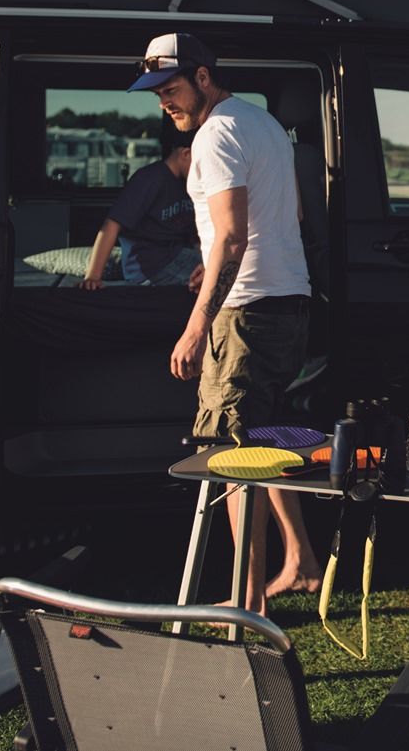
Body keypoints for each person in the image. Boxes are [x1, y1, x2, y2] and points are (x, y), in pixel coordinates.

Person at [130, 31, 322, 612]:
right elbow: (279, 215)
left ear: (204, 76)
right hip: (287, 300)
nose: (164, 102)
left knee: (230, 457)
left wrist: (196, 326)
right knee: (262, 440)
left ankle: (247, 603)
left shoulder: (213, 136)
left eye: (171, 89)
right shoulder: (258, 121)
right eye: (157, 93)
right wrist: (212, 265)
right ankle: (301, 561)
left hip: (248, 313)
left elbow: (234, 237)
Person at [81, 121, 200, 288]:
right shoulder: (149, 179)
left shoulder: (190, 184)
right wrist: (93, 276)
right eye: (202, 162)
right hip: (149, 266)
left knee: (226, 268)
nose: (205, 169)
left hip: (178, 255)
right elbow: (111, 225)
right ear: (186, 154)